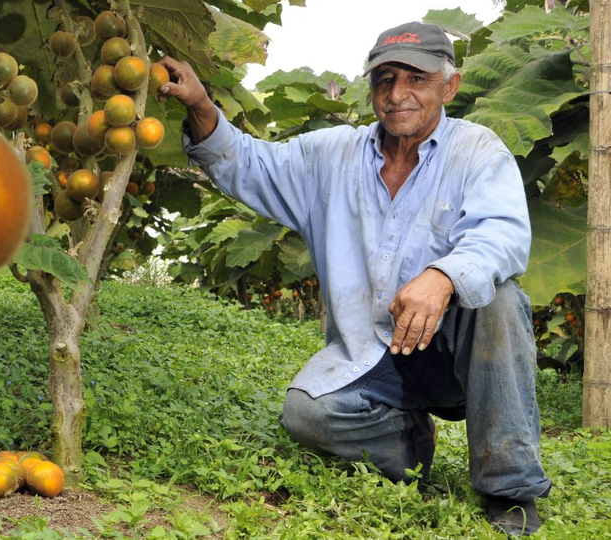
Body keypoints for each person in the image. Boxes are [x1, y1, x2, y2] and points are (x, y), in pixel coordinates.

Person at [156, 21, 552, 536]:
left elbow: (501, 234)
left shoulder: (478, 151)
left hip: (459, 352)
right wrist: (202, 107)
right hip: (373, 353)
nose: (397, 94)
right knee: (306, 415)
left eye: (416, 79)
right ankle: (407, 443)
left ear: (448, 87)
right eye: (384, 80)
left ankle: (510, 490)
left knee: (498, 300)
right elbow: (251, 165)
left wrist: (442, 276)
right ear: (371, 90)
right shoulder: (332, 154)